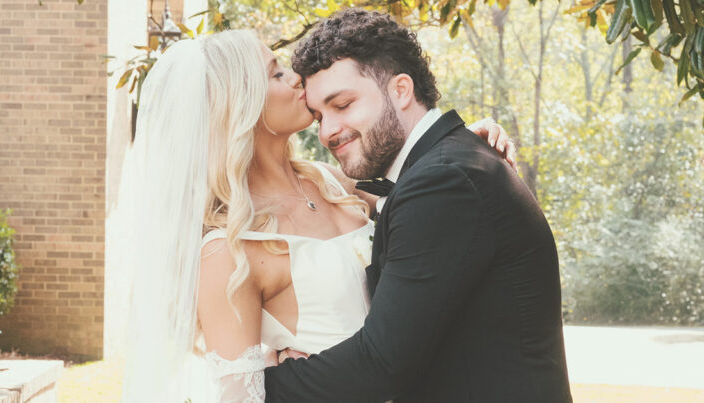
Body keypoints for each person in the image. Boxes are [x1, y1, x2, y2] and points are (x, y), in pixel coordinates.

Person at [118, 28, 515, 402]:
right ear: (240, 105)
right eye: (275, 73)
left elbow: (423, 199)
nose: (296, 78)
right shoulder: (228, 250)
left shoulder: (330, 180)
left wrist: (456, 148)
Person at [263, 9, 573, 403]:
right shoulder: (447, 166)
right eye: (319, 116)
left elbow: (380, 363)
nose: (327, 132)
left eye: (342, 105)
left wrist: (255, 385)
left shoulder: (442, 182)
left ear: (401, 90)